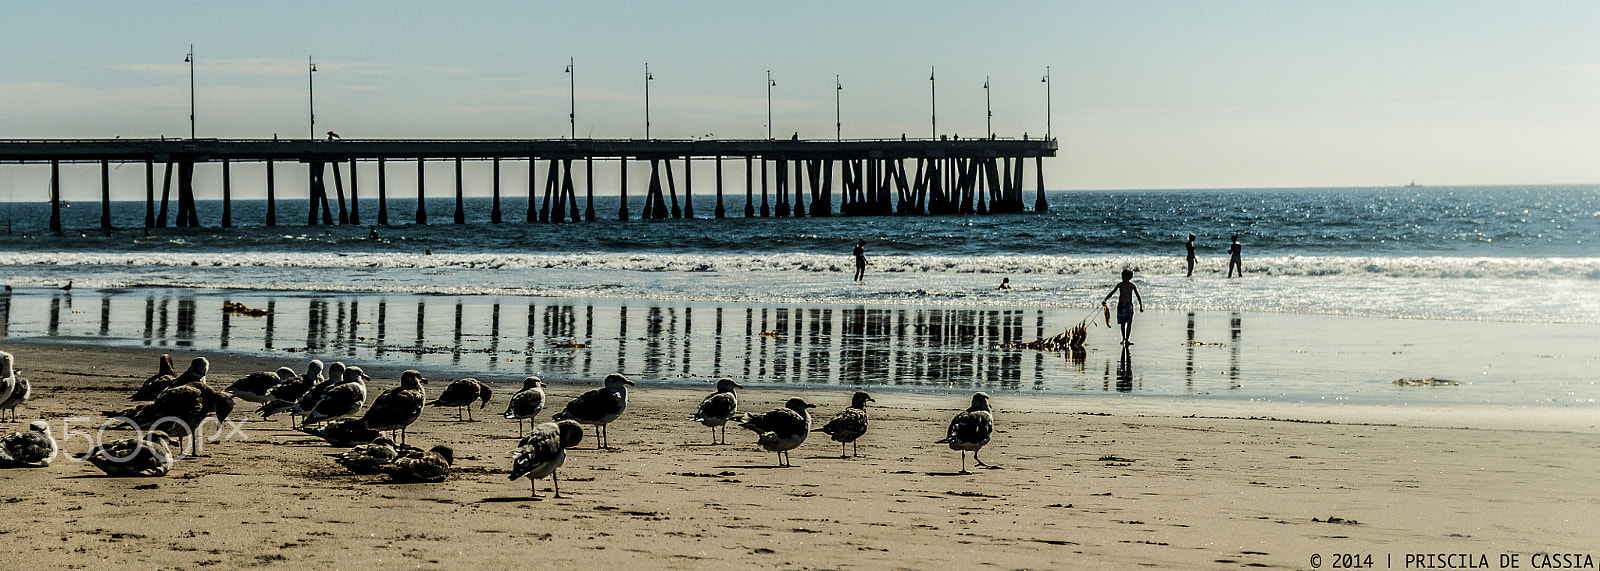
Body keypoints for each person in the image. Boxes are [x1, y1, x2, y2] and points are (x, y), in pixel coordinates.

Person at [1101, 269, 1144, 346]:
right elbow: (1112, 293)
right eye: (1122, 276)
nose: (1123, 278)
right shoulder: (1120, 285)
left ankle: (1127, 339)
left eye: (1124, 276)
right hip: (1121, 305)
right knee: (1122, 323)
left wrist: (1141, 305)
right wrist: (1105, 299)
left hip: (1129, 305)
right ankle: (1123, 338)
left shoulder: (1132, 286)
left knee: (1129, 322)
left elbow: (1138, 296)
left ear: (1129, 277)